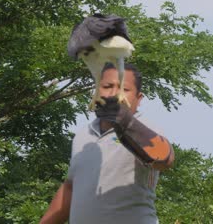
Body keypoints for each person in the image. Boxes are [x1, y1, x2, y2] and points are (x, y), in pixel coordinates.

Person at [40, 63, 175, 224]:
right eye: (107, 86)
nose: (114, 94)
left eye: (124, 89)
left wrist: (125, 123)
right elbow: (71, 187)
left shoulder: (146, 129)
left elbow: (165, 160)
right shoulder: (83, 135)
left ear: (138, 99)